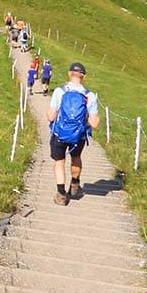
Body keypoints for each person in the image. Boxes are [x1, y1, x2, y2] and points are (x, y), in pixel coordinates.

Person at [47, 61, 100, 205]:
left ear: (70, 74)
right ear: (83, 77)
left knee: (59, 162)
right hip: (79, 135)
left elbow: (51, 116)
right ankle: (75, 184)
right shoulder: (90, 96)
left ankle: (61, 194)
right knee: (76, 157)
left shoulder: (60, 91)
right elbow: (94, 123)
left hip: (60, 133)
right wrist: (83, 124)